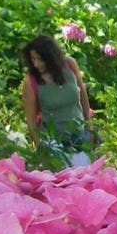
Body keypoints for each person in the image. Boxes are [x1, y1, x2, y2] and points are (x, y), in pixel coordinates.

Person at [21, 34, 93, 166]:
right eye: (33, 59)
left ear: (50, 57)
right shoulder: (31, 82)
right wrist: (43, 152)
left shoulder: (70, 65)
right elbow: (31, 123)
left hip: (78, 137)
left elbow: (83, 96)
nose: (36, 64)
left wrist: (89, 127)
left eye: (40, 59)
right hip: (54, 144)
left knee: (85, 180)